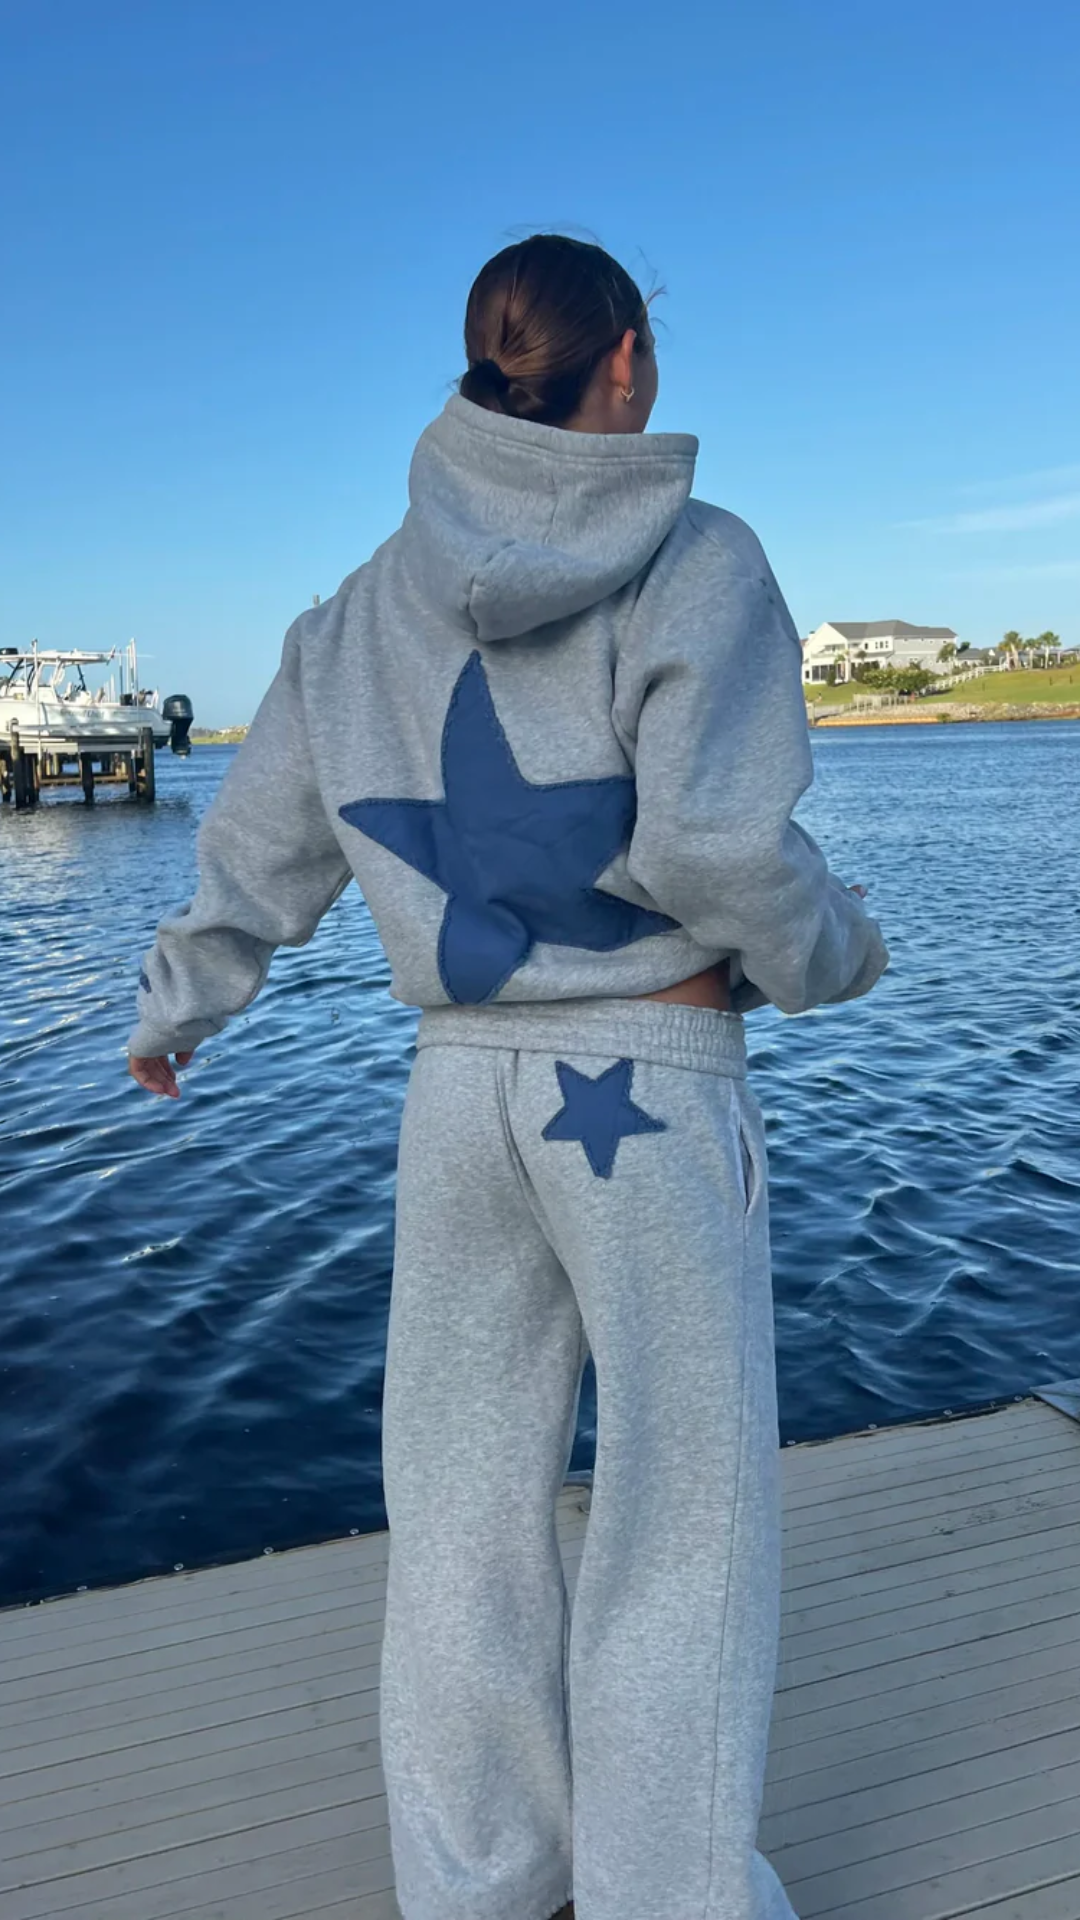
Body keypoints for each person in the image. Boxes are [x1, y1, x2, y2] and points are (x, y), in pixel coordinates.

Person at [129, 233, 888, 1920]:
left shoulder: (355, 609)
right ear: (626, 359)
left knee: (458, 1508)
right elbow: (715, 849)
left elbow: (264, 840)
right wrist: (838, 950)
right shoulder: (699, 559)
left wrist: (179, 1003)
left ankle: (481, 1881)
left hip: (457, 1096)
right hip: (648, 1081)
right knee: (683, 1519)